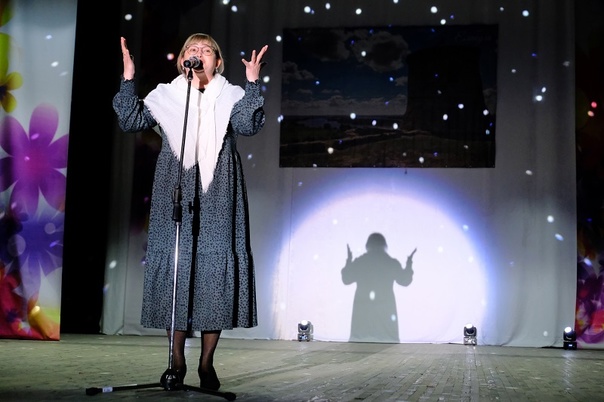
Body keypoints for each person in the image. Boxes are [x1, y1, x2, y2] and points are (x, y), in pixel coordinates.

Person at [112, 33, 268, 390]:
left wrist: (253, 83)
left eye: (206, 50)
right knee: (177, 270)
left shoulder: (231, 94)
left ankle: (207, 362)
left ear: (217, 62)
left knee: (213, 272)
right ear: (183, 59)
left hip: (218, 190)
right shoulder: (167, 94)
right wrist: (128, 78)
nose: (198, 53)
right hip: (175, 187)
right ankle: (176, 360)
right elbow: (131, 120)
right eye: (192, 50)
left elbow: (248, 125)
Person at [341, 233, 416, 343]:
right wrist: (409, 264)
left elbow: (347, 279)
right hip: (385, 311)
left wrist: (349, 260)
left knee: (361, 344)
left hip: (363, 312)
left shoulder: (361, 262)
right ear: (384, 245)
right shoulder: (391, 262)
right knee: (387, 345)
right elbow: (404, 281)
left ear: (368, 245)